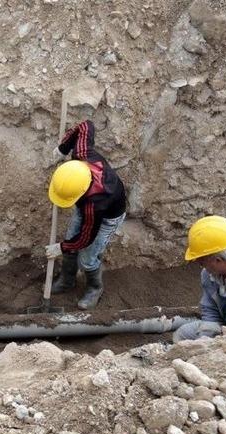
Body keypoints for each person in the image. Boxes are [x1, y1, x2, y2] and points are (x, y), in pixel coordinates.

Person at [44, 120, 127, 310]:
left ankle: (95, 288)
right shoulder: (83, 155)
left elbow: (85, 239)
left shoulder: (95, 204)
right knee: (71, 242)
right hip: (89, 204)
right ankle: (67, 280)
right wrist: (62, 148)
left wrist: (61, 247)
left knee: (87, 258)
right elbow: (86, 125)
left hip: (108, 217)